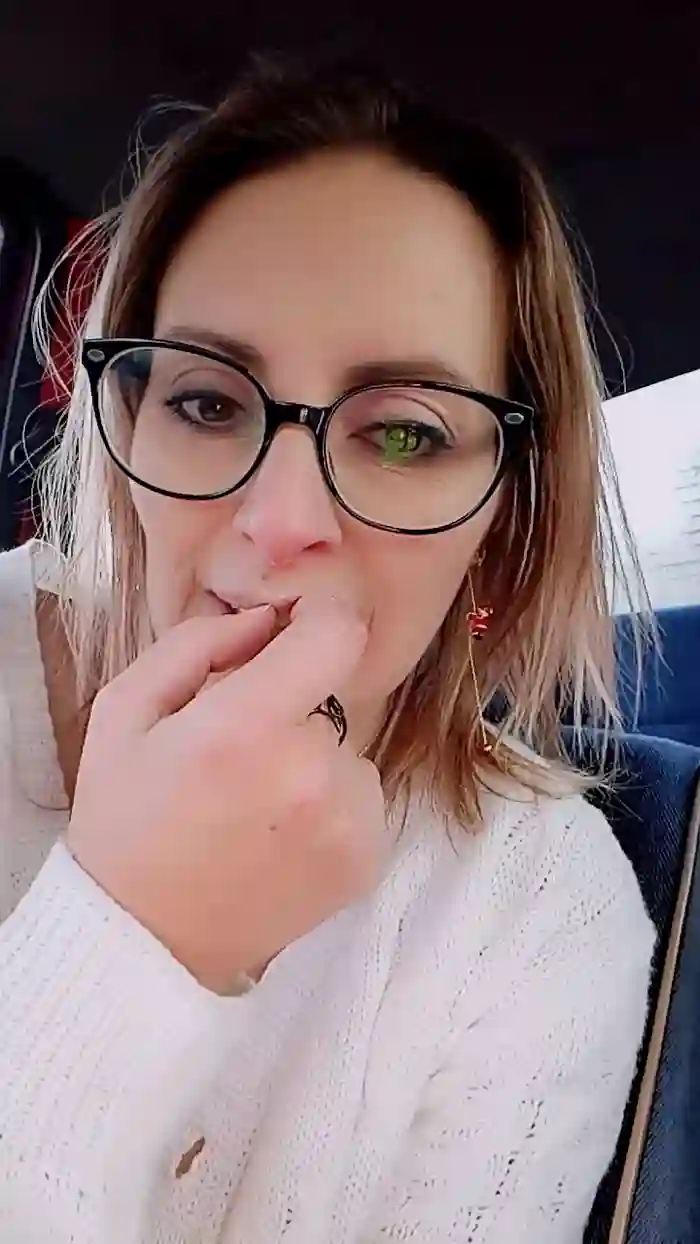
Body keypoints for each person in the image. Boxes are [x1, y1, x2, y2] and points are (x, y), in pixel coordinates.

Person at [0, 54, 655, 1244]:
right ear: (124, 423)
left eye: (404, 433)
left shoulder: (541, 908)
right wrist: (131, 937)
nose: (280, 519)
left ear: (503, 509)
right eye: (207, 402)